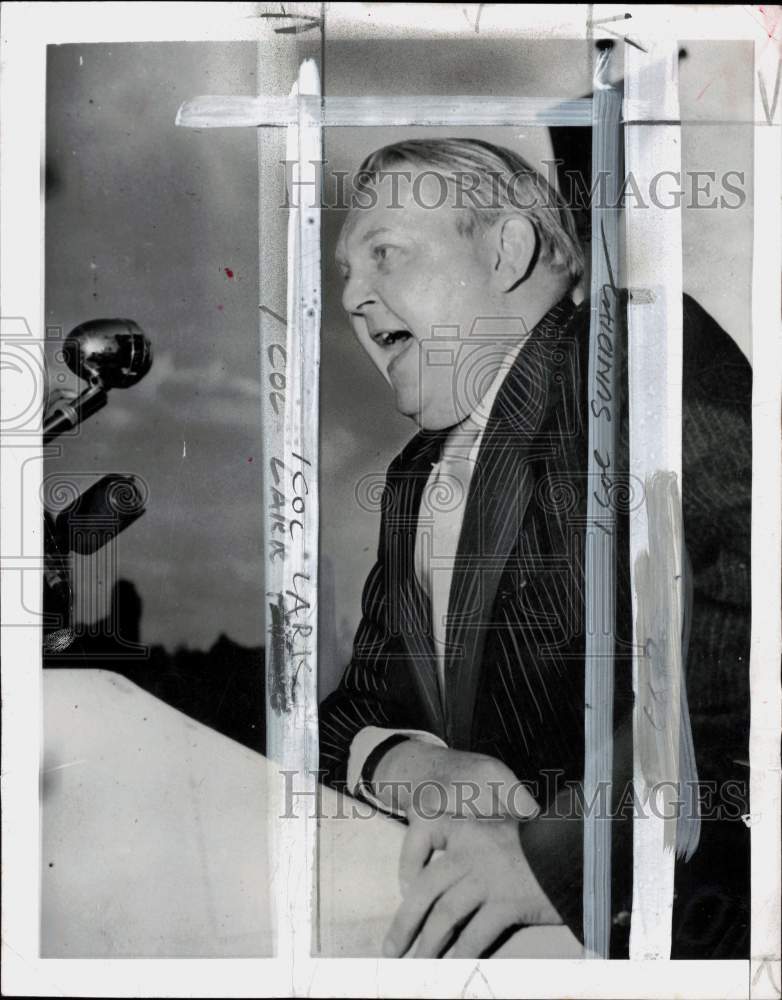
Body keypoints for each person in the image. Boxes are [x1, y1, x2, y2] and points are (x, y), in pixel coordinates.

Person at [319, 138, 751, 959]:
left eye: (385, 253)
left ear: (509, 249)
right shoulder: (414, 476)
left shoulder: (628, 351)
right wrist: (408, 762)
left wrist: (559, 859)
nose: (352, 296)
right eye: (345, 272)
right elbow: (350, 712)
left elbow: (758, 639)